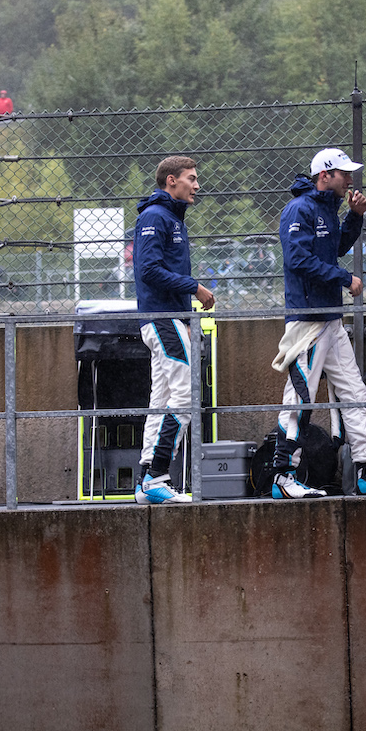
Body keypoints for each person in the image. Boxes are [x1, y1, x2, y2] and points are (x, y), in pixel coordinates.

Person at [269, 147, 366, 498]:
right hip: (308, 319)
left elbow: (335, 248)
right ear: (325, 176)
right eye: (344, 173)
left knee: (354, 392)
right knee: (300, 397)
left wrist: (355, 217)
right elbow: (298, 259)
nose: (350, 179)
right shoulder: (299, 209)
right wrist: (343, 278)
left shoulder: (326, 209)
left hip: (330, 320)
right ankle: (283, 477)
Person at [132, 155, 215, 504]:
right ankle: (157, 476)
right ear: (171, 181)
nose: (197, 185)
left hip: (167, 318)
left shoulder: (170, 217)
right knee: (184, 397)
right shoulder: (155, 216)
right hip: (163, 319)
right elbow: (148, 270)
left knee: (162, 400)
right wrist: (193, 287)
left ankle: (145, 483)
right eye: (191, 179)